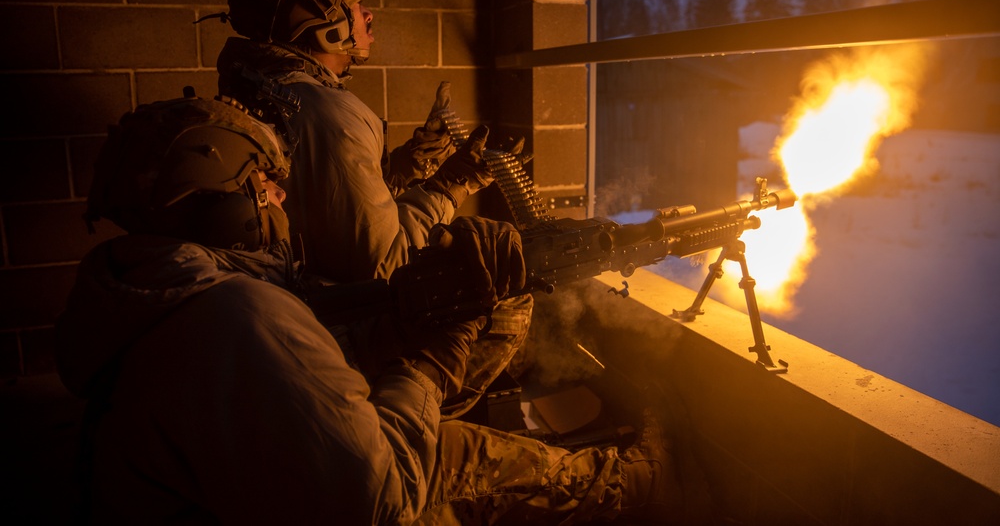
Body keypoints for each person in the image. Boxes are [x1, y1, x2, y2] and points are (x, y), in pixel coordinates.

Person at [56, 97, 685, 523]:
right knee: (454, 454)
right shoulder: (234, 315)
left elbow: (305, 345)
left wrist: (399, 318)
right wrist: (434, 359)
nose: (278, 195)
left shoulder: (142, 287)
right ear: (213, 199)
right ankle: (643, 485)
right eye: (262, 182)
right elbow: (381, 501)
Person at [215, 0, 531, 418]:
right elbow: (385, 266)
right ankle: (412, 433)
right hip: (326, 330)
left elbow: (324, 205)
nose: (366, 14)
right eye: (353, 3)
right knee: (508, 293)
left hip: (280, 308)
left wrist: (412, 163)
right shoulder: (328, 113)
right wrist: (452, 184)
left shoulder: (263, 84)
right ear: (325, 22)